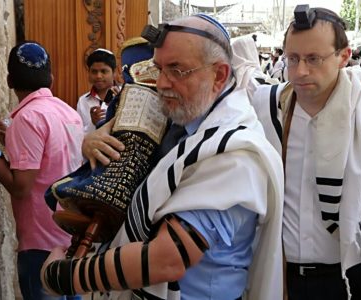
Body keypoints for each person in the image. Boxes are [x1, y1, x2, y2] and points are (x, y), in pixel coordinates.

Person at [40, 14, 284, 300]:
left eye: (177, 70)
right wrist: (93, 140)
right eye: (159, 69)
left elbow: (167, 259)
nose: (162, 84)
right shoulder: (186, 122)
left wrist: (62, 276)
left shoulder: (234, 155)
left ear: (219, 74)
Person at [251, 5, 361, 300]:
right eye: (293, 58)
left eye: (314, 58)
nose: (300, 71)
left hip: (346, 279)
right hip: (277, 274)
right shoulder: (267, 108)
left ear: (344, 56)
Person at [0, 41, 84, 300]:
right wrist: (12, 138)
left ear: (10, 81)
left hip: (41, 242)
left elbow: (21, 187)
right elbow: (52, 159)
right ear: (51, 79)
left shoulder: (28, 118)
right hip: (68, 233)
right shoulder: (68, 112)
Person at [77, 48, 119, 134]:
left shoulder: (124, 94)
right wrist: (93, 124)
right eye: (94, 71)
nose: (98, 76)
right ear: (89, 72)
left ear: (114, 72)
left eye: (103, 71)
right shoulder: (83, 101)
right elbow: (80, 135)